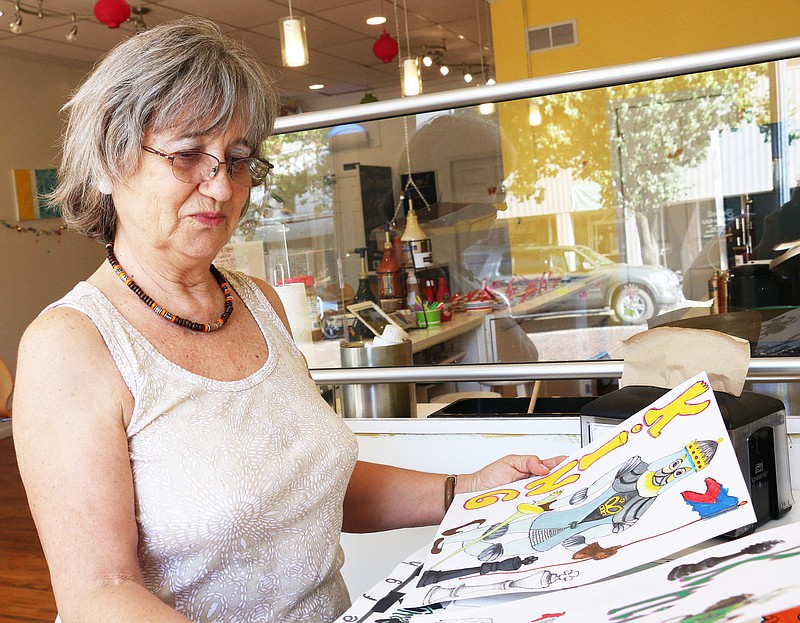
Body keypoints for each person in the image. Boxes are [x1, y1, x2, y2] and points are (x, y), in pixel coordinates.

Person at [12, 17, 564, 623]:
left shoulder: (257, 304)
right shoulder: (72, 345)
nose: (221, 187)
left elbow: (306, 488)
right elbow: (99, 595)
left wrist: (464, 490)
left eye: (239, 158)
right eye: (188, 154)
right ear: (108, 161)